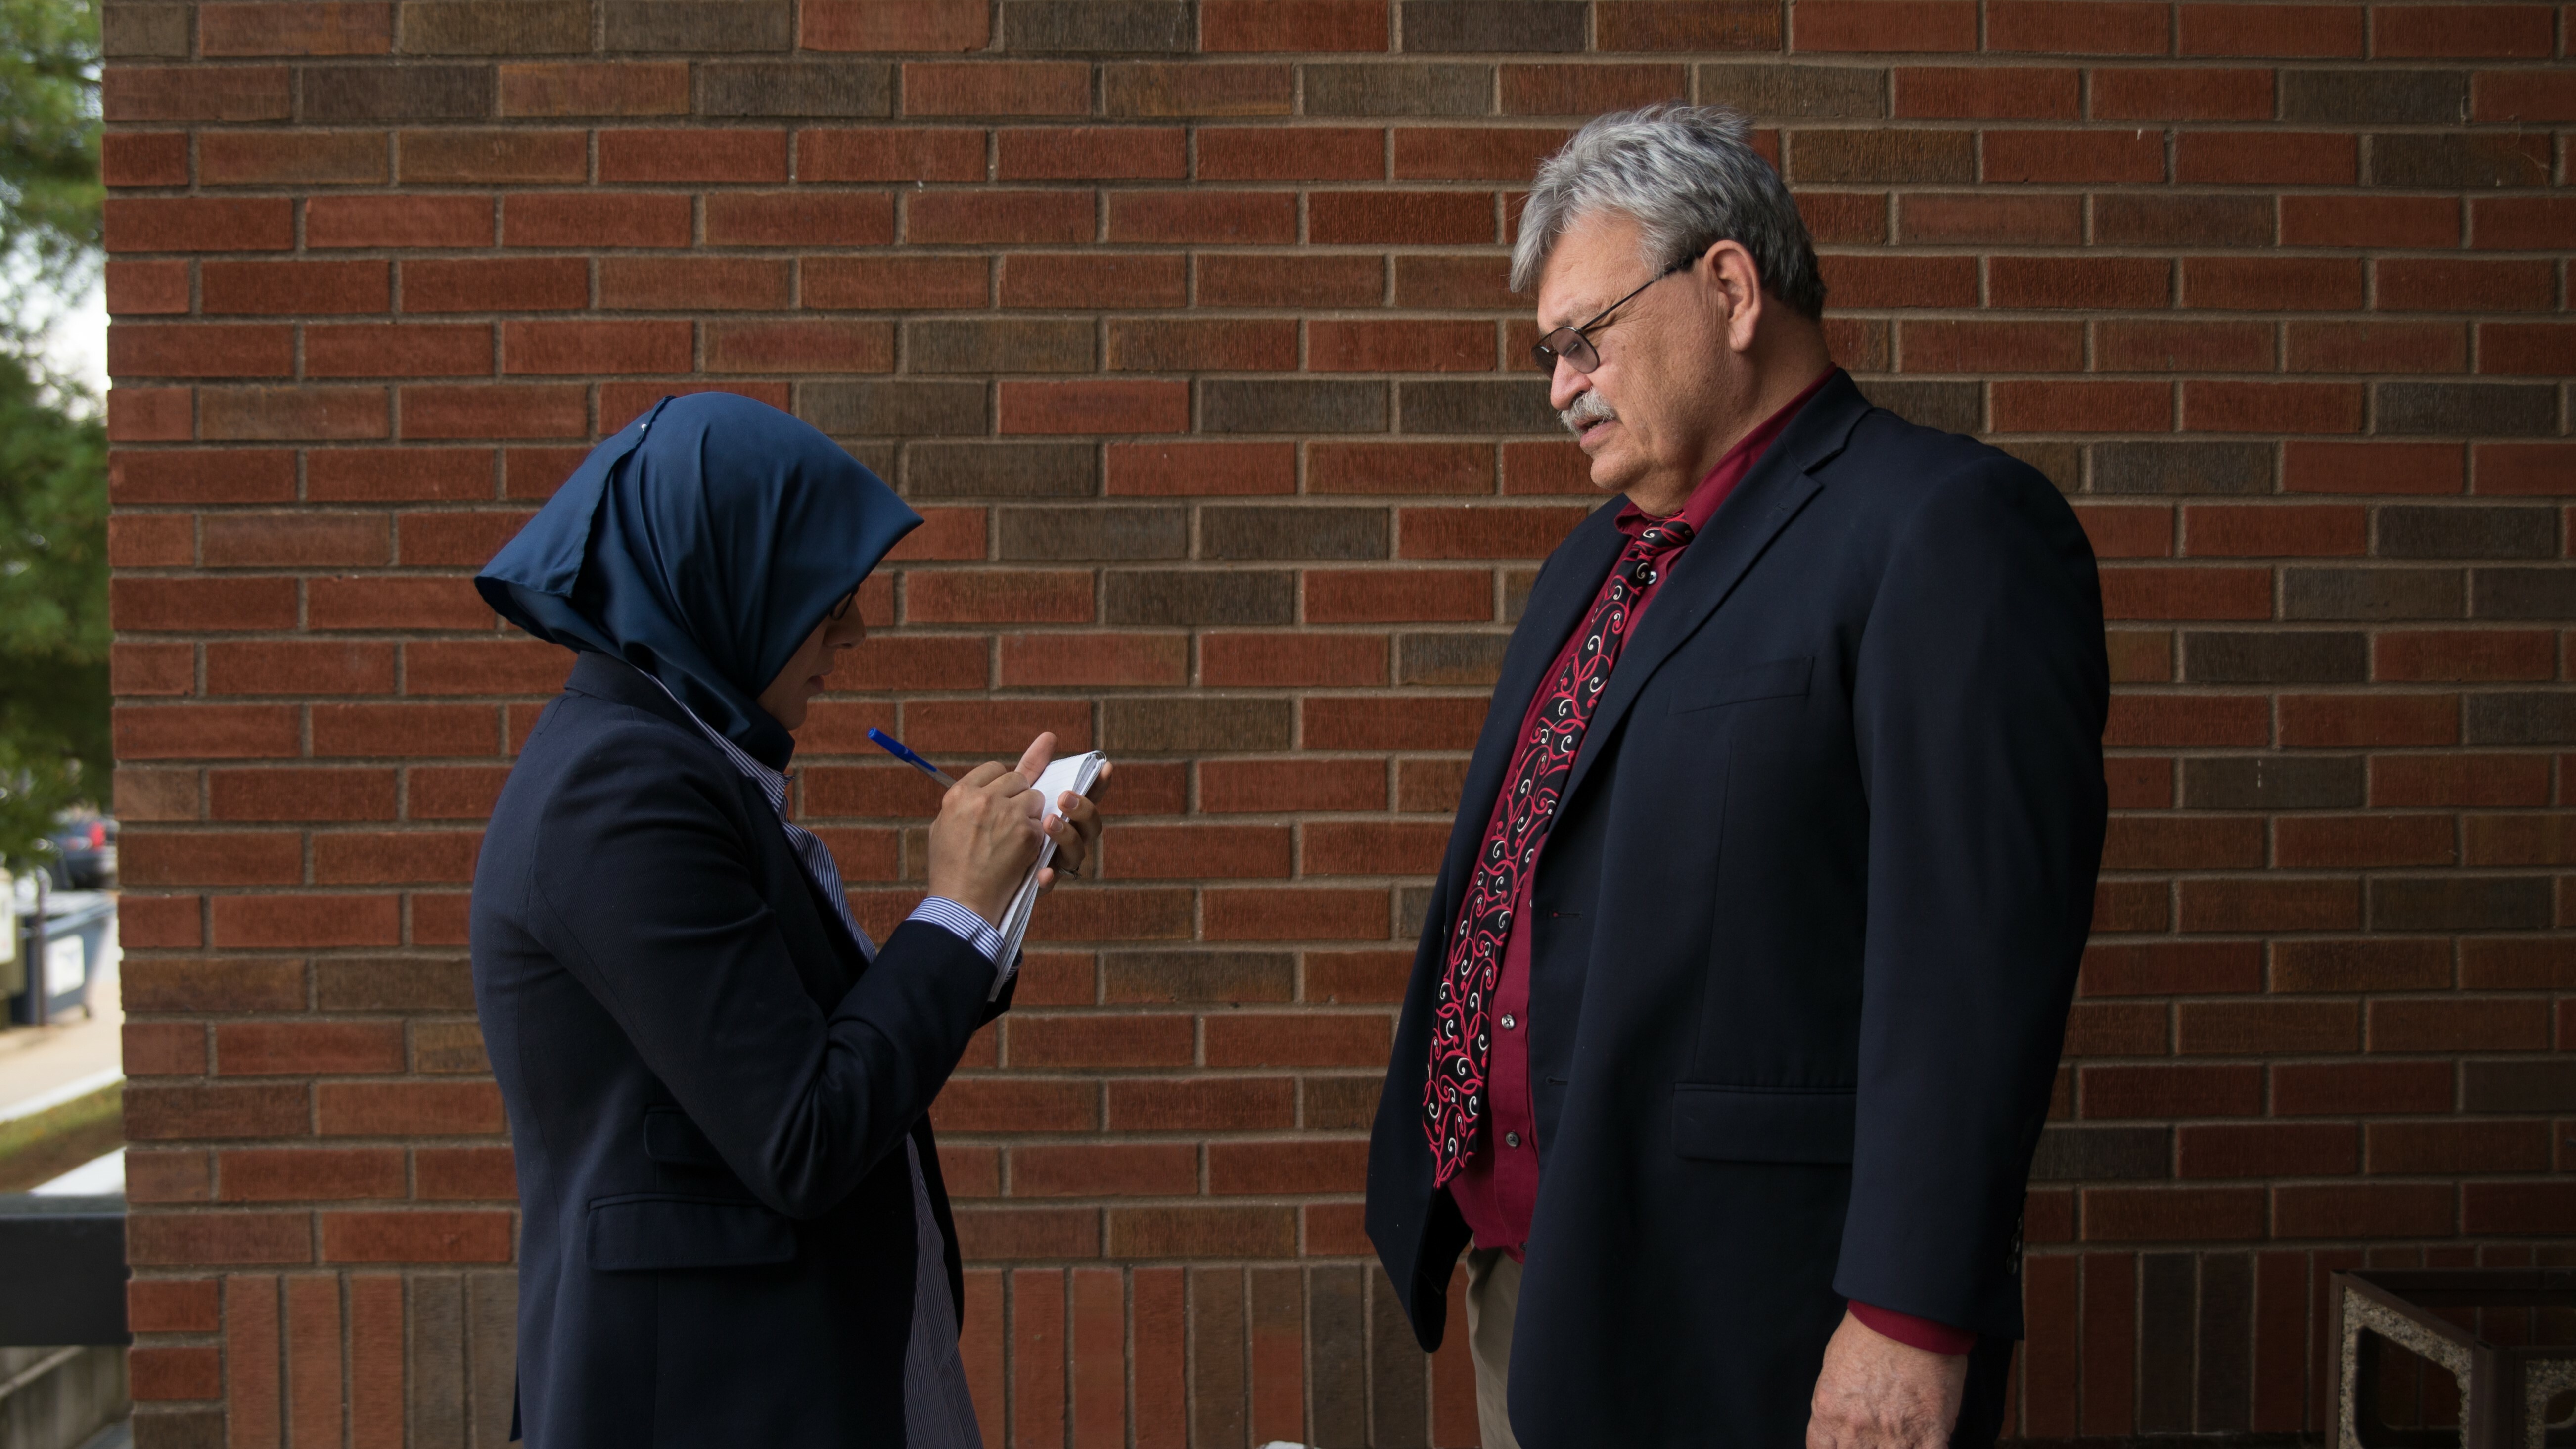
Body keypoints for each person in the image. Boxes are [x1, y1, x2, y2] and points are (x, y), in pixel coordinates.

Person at [1363, 106, 2109, 1449]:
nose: (1560, 385)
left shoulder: (1944, 531)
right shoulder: (1598, 559)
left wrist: (1911, 1315)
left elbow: (1973, 965)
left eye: (1586, 337)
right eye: (1548, 354)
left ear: (1729, 287)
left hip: (1754, 1318)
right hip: (1542, 1278)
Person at [469, 392, 1103, 1449]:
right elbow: (804, 1131)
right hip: (711, 1398)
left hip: (796, 1371)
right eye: (829, 598)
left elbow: (811, 1045)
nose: (856, 630)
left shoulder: (674, 764)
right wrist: (956, 909)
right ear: (727, 580)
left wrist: (999, 894)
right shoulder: (619, 795)